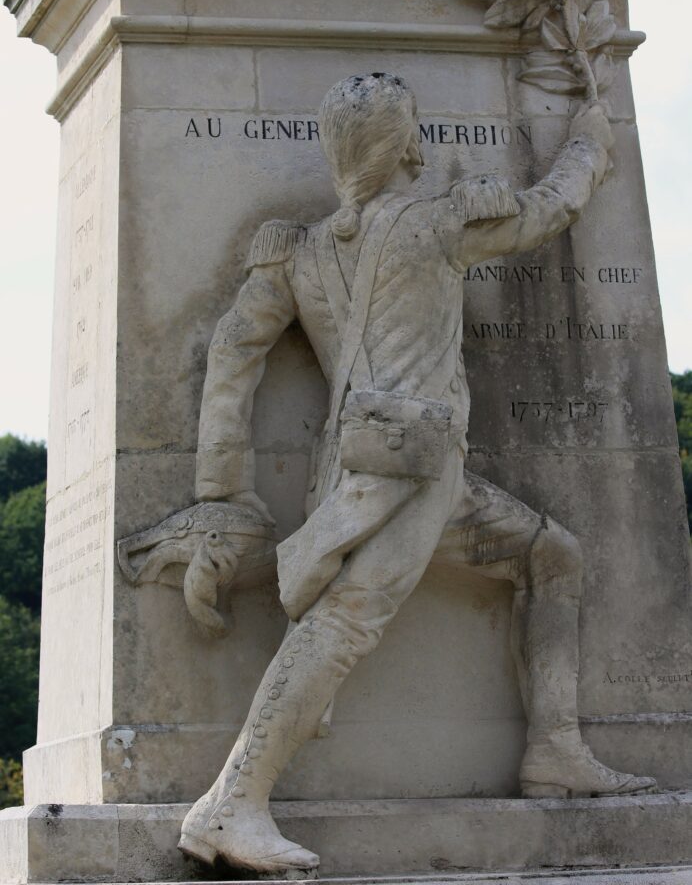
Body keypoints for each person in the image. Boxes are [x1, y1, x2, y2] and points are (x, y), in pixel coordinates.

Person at [178, 72, 655, 874]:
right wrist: (590, 144)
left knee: (552, 554)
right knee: (344, 623)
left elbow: (232, 354)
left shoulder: (297, 252)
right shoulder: (436, 226)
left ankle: (555, 752)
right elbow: (554, 208)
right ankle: (231, 802)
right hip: (410, 471)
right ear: (405, 146)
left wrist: (219, 495)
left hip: (378, 468)